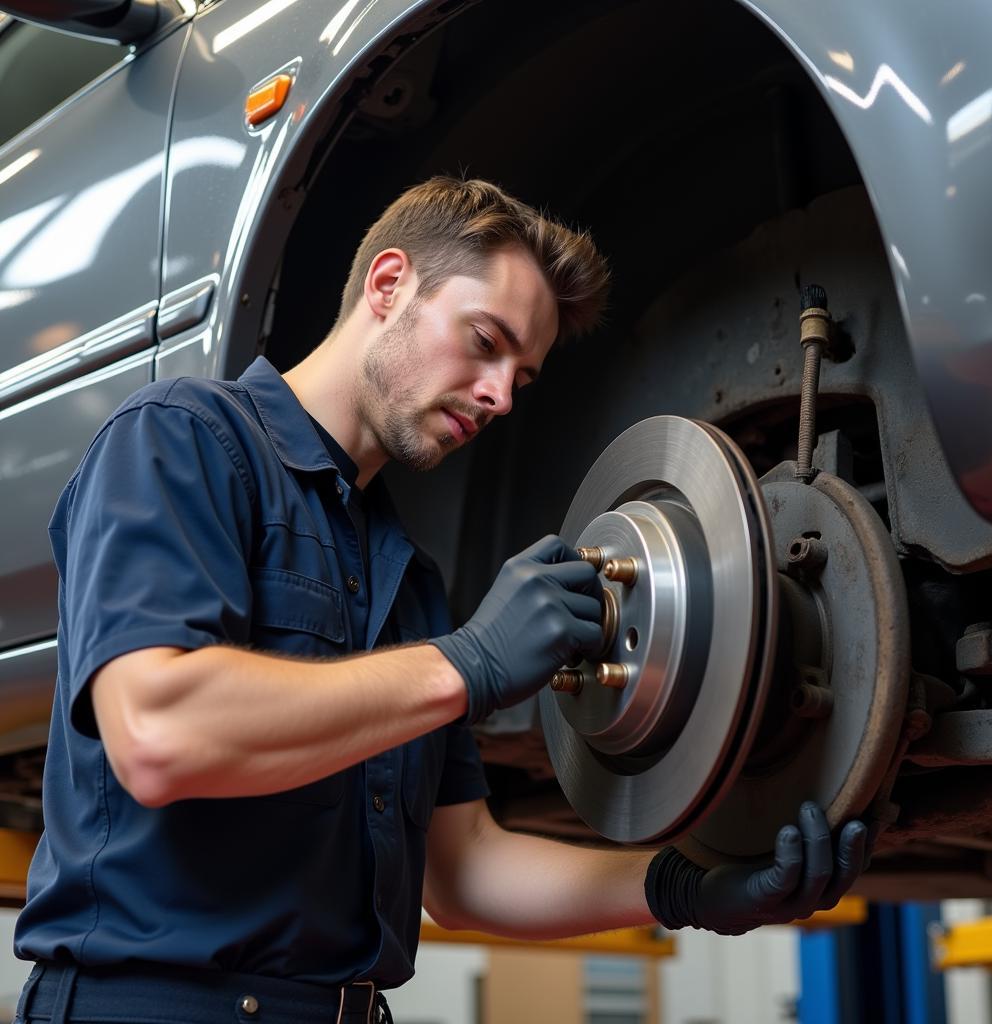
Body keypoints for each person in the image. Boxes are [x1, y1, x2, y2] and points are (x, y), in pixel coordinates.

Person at [13, 177, 866, 1024]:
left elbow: (465, 873)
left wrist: (689, 886)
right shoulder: (183, 439)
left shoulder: (407, 580)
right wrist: (468, 662)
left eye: (521, 378)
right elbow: (161, 734)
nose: (499, 394)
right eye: (484, 341)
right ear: (388, 286)